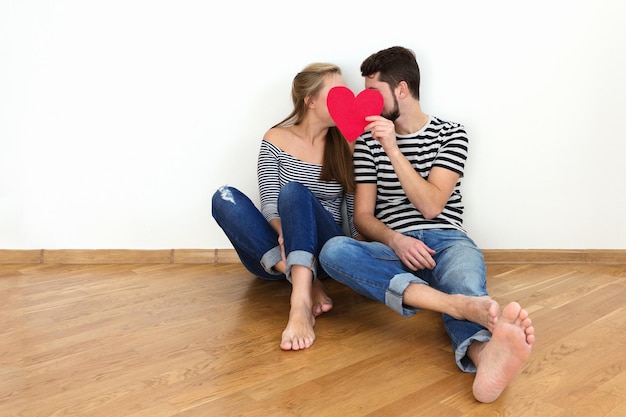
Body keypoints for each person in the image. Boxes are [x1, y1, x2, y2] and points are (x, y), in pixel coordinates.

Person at [319, 46, 535, 403]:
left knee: (463, 281)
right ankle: (455, 306)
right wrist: (395, 240)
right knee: (334, 250)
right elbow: (362, 217)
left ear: (402, 89)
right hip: (393, 249)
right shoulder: (366, 146)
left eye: (374, 92)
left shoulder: (452, 133)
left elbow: (432, 205)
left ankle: (484, 358)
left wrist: (393, 148)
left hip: (447, 239)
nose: (366, 101)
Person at [212, 63, 359, 351]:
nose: (345, 99)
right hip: (275, 253)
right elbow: (269, 206)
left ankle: (300, 304)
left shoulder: (348, 145)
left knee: (293, 192)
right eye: (336, 93)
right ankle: (304, 281)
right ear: (311, 100)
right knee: (223, 197)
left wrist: (358, 259)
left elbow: (354, 217)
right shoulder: (275, 138)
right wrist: (285, 233)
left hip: (324, 249)